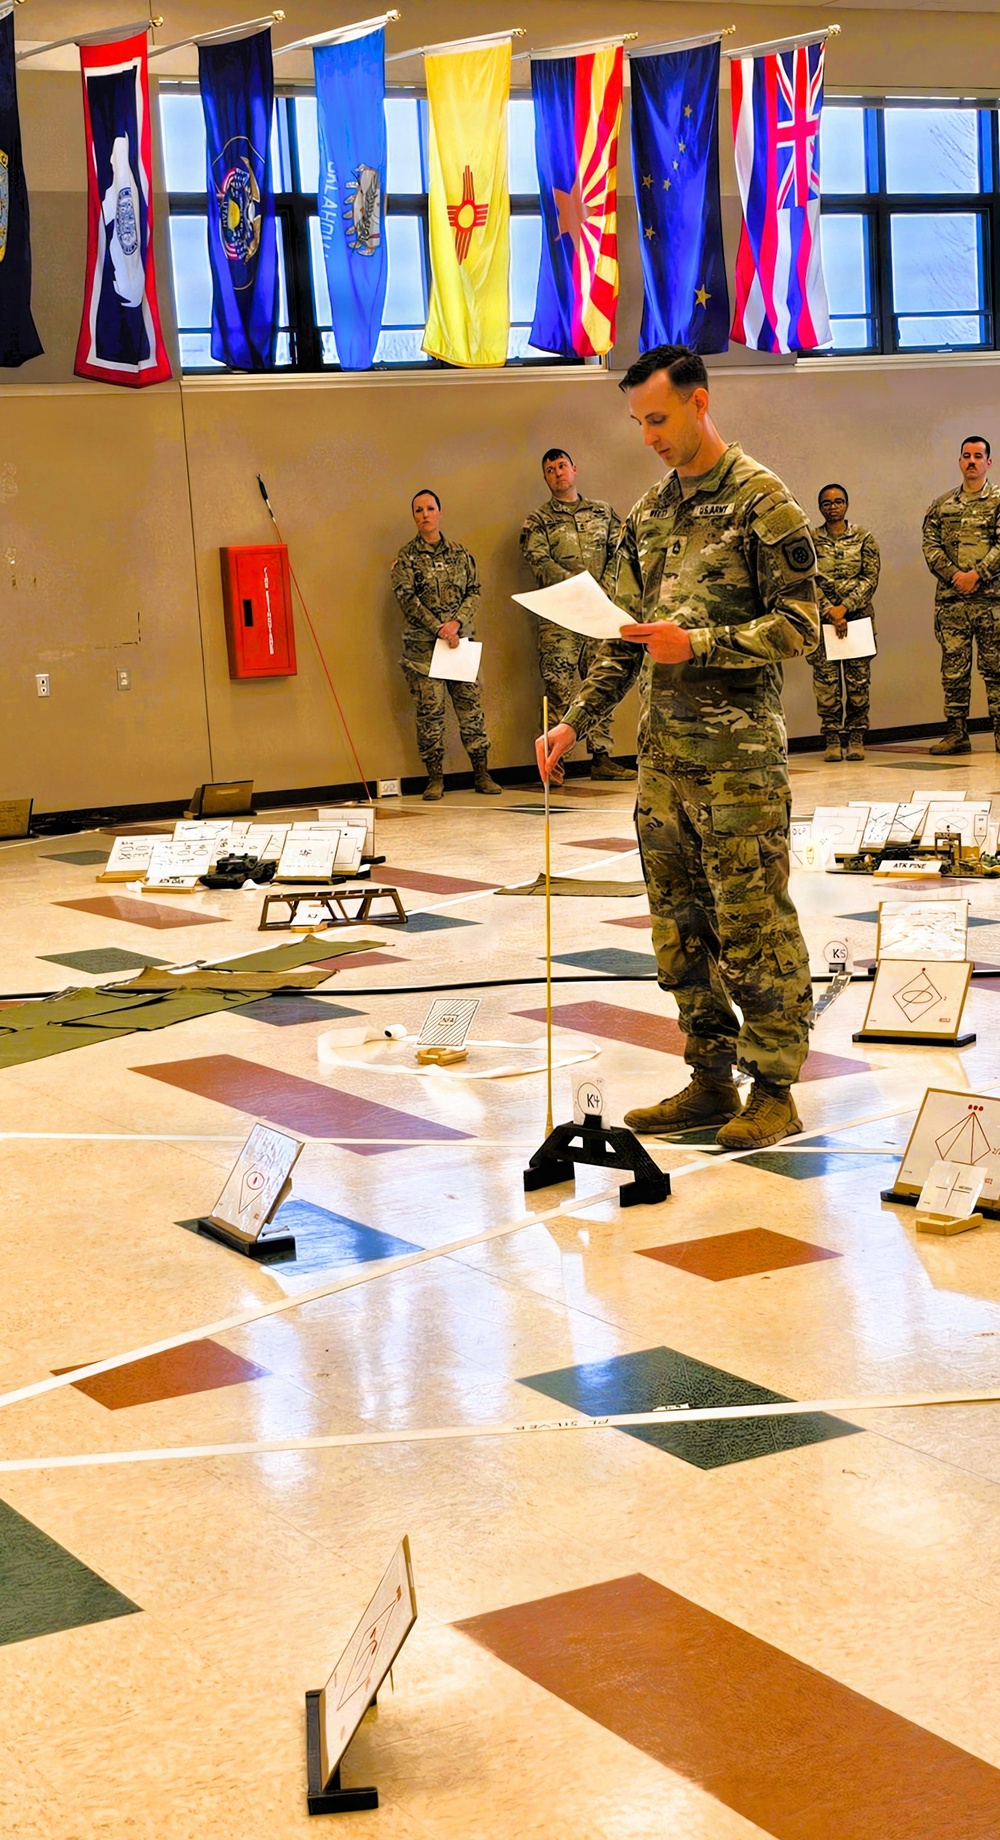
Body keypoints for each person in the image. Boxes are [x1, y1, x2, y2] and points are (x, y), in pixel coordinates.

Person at [535, 345, 819, 1151]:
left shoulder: (766, 504)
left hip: (739, 769)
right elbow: (624, 637)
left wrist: (701, 643)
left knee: (753, 922)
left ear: (700, 402)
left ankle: (774, 1090)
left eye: (659, 418)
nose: (650, 436)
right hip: (663, 765)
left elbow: (801, 624)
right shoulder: (651, 512)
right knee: (680, 926)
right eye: (639, 423)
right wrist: (576, 723)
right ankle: (708, 1078)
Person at [519, 448, 635, 783]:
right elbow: (539, 561)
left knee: (603, 677)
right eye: (550, 470)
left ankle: (602, 757)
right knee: (559, 686)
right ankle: (555, 763)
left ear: (574, 469)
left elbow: (622, 553)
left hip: (600, 611)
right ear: (545, 478)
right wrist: (578, 585)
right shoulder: (538, 520)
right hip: (561, 615)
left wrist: (606, 590)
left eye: (562, 466)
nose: (557, 472)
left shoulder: (602, 512)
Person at [391, 490, 501, 801]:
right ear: (414, 516)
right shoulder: (406, 558)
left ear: (440, 512)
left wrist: (456, 624)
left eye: (429, 508)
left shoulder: (461, 555)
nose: (424, 514)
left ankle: (481, 773)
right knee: (431, 713)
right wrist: (438, 628)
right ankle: (435, 778)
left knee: (471, 710)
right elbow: (407, 599)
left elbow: (474, 592)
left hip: (458, 645)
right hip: (424, 651)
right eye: (417, 510)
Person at [922, 435, 1000, 755]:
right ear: (959, 462)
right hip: (952, 603)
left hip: (991, 601)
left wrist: (977, 575)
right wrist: (956, 576)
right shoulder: (942, 505)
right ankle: (957, 734)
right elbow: (930, 546)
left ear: (988, 463)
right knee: (953, 671)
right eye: (966, 455)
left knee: (996, 668)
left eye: (978, 456)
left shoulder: (998, 500)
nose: (971, 461)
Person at [808, 484, 880, 763]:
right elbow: (807, 579)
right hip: (824, 621)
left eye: (838, 501)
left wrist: (845, 607)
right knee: (826, 684)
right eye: (827, 503)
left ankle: (857, 736)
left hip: (858, 619)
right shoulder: (811, 540)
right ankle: (832, 738)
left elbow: (870, 578)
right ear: (820, 508)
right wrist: (830, 610)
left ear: (847, 505)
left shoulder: (864, 538)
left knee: (858, 682)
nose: (833, 507)